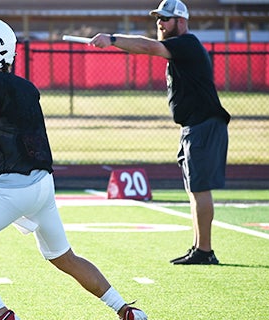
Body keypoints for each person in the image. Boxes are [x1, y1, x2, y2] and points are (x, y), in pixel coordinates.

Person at [0, 17, 150, 320]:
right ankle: (127, 312)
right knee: (64, 257)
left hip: (15, 188)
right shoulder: (24, 86)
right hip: (43, 185)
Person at [89, 0, 230, 265]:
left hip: (203, 126)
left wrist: (112, 39)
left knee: (200, 190)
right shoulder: (178, 49)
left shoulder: (187, 43)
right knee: (193, 191)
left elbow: (147, 47)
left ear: (181, 21)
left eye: (166, 18)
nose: (160, 23)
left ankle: (205, 251)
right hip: (192, 126)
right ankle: (199, 247)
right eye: (158, 18)